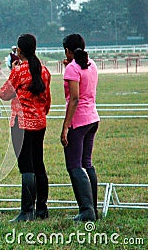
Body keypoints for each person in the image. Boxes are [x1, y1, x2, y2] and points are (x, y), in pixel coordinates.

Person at [0, 34, 51, 222]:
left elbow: (4, 94)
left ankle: (26, 211)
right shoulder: (44, 71)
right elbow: (47, 100)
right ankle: (41, 209)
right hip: (39, 123)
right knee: (39, 165)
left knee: (26, 167)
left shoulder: (19, 71)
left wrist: (12, 70)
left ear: (19, 51)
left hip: (21, 124)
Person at [61, 33, 100, 221]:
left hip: (79, 121)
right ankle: (93, 208)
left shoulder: (72, 69)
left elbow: (74, 99)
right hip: (93, 118)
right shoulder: (91, 64)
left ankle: (86, 210)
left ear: (68, 51)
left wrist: (66, 126)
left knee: (74, 165)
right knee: (87, 163)